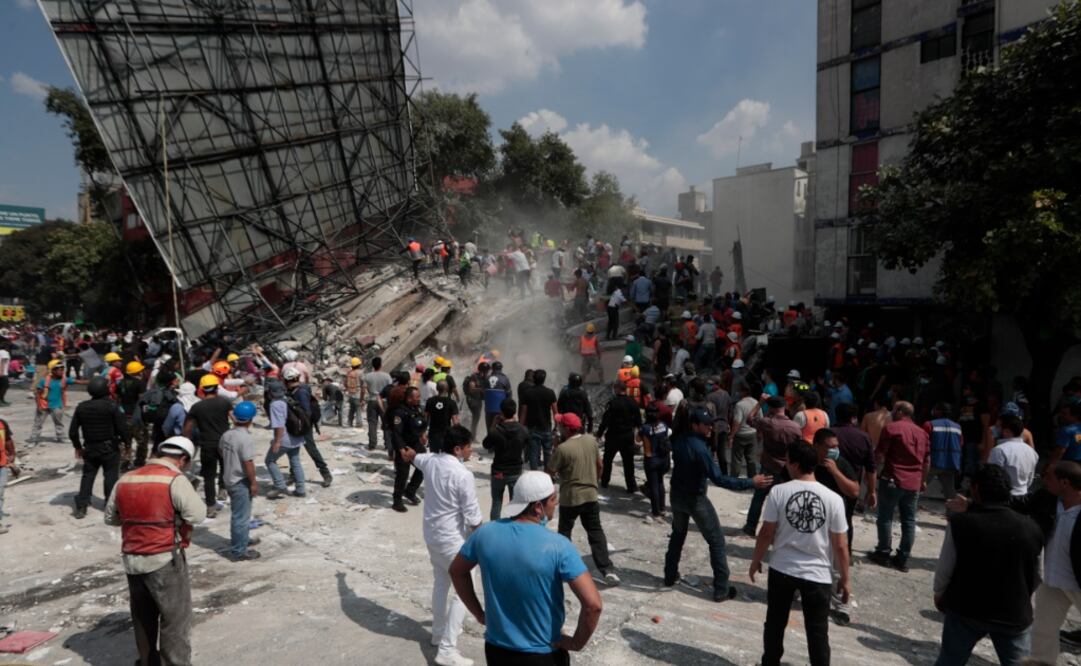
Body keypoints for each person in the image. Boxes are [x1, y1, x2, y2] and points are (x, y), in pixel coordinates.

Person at [449, 471, 604, 665]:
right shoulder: (559, 546)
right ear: (538, 507)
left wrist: (480, 615)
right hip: (543, 654)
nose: (555, 504)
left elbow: (456, 571)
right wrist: (576, 643)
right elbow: (593, 605)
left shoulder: (485, 533)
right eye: (553, 499)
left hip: (497, 650)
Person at [105, 435, 206, 666]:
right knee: (174, 619)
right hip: (164, 558)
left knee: (143, 617)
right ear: (182, 459)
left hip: (131, 559)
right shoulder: (174, 480)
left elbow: (111, 518)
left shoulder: (126, 478)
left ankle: (148, 661)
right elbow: (197, 515)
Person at [750, 440, 850, 666]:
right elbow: (841, 545)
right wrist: (845, 579)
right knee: (817, 632)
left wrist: (756, 560)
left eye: (787, 460)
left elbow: (766, 532)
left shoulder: (779, 491)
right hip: (818, 575)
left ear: (794, 465)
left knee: (775, 623)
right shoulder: (834, 499)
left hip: (782, 569)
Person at [932, 463, 1042, 666]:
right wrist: (1027, 603)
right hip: (1013, 613)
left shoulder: (960, 523)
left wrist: (939, 593)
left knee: (950, 661)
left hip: (966, 608)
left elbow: (946, 566)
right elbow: (1037, 574)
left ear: (975, 489)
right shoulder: (1031, 527)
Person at [399, 425, 483, 666]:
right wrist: (485, 545)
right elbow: (474, 518)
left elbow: (415, 457)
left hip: (432, 535)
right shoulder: (462, 474)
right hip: (452, 539)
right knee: (463, 591)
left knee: (441, 582)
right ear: (457, 449)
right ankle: (447, 648)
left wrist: (407, 450)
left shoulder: (431, 461)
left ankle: (438, 633)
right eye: (468, 447)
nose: (471, 450)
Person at [666, 407, 770, 601]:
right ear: (695, 425)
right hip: (695, 499)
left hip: (676, 496)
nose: (709, 428)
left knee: (678, 535)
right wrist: (751, 482)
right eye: (705, 425)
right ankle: (721, 588)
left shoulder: (679, 440)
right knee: (717, 541)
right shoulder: (699, 449)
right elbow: (720, 479)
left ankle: (669, 575)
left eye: (710, 424)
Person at [547, 412, 620, 585]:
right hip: (590, 495)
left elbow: (550, 470)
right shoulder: (590, 440)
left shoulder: (563, 449)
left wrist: (555, 446)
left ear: (565, 428)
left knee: (564, 533)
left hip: (570, 498)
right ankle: (607, 569)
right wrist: (595, 480)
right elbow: (600, 465)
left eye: (560, 425)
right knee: (595, 532)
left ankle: (564, 567)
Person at [869, 401, 931, 572]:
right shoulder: (922, 433)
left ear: (901, 412)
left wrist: (872, 474)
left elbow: (879, 455)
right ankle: (902, 557)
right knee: (909, 520)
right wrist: (923, 480)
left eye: (894, 410)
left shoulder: (891, 429)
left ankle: (883, 552)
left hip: (892, 479)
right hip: (913, 483)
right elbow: (926, 461)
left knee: (885, 517)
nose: (891, 412)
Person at [743, 396, 803, 536]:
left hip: (768, 466)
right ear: (784, 408)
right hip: (787, 470)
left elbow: (749, 418)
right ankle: (781, 531)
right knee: (784, 501)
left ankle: (750, 527)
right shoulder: (795, 427)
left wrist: (760, 402)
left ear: (771, 409)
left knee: (759, 498)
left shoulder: (767, 422)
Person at [69, 375, 126, 519]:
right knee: (111, 477)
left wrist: (78, 447)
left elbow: (73, 431)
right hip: (109, 448)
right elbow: (122, 429)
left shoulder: (82, 407)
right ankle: (110, 505)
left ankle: (82, 506)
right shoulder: (112, 407)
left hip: (90, 448)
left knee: (88, 475)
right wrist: (127, 444)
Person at [182, 374, 232, 517]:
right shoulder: (224, 402)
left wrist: (186, 441)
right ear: (217, 388)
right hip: (224, 442)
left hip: (207, 444)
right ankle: (223, 489)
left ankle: (210, 506)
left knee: (209, 476)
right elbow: (235, 418)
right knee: (225, 466)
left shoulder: (197, 407)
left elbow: (187, 428)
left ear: (202, 390)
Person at [220, 402, 260, 561]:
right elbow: (248, 463)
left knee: (240, 515)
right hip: (240, 481)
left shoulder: (227, 435)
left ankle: (242, 540)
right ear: (250, 420)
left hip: (229, 477)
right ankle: (238, 551)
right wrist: (253, 483)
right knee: (241, 517)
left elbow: (221, 451)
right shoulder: (245, 438)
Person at [284, 367, 333, 488]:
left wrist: (295, 409)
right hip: (295, 425)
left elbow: (307, 412)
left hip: (304, 426)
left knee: (312, 450)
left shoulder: (301, 392)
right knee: (292, 451)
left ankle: (326, 474)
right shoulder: (292, 391)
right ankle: (293, 475)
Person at [483, 398, 528, 520]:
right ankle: (514, 528)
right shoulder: (523, 430)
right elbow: (527, 446)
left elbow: (486, 445)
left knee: (497, 502)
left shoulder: (496, 430)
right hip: (515, 472)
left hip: (498, 472)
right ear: (514, 412)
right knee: (516, 504)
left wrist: (493, 425)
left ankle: (495, 528)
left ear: (501, 412)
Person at [597, 381, 642, 492]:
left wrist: (599, 434)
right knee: (628, 462)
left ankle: (604, 481)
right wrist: (637, 436)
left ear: (617, 389)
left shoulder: (612, 403)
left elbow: (605, 421)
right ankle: (631, 486)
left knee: (607, 460)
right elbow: (638, 422)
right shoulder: (633, 402)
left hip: (613, 436)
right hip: (627, 436)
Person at [265, 379, 305, 500]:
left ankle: (279, 485)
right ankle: (301, 489)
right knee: (295, 461)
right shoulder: (288, 399)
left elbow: (279, 425)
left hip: (285, 439)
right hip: (296, 436)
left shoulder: (275, 404)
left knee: (270, 460)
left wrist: (277, 441)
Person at [391, 386, 428, 512]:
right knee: (402, 474)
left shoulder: (416, 408)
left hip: (416, 443)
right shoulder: (399, 412)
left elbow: (420, 422)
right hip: (404, 445)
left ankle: (410, 491)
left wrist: (423, 434)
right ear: (409, 398)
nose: (419, 398)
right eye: (417, 396)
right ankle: (397, 501)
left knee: (424, 467)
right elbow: (396, 433)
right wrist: (401, 450)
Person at [987, 413, 1038, 496]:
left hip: (1004, 498)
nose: (994, 429)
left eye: (998, 427)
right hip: (1024, 496)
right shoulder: (1031, 451)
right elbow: (1030, 479)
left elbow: (992, 478)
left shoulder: (999, 450)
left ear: (1006, 431)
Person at [638, 404, 672, 524]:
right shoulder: (663, 425)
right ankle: (662, 508)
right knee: (660, 483)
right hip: (663, 459)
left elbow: (637, 441)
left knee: (653, 486)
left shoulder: (645, 428)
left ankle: (656, 512)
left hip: (651, 459)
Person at [924, 402, 963, 502]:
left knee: (917, 488)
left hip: (933, 463)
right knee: (950, 494)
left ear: (938, 412)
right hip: (951, 464)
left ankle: (909, 513)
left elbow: (923, 443)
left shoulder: (929, 424)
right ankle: (952, 515)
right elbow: (960, 443)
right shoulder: (957, 427)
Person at [520, 369, 558, 471]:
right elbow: (555, 411)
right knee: (547, 452)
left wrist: (521, 426)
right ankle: (548, 473)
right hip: (546, 427)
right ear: (544, 379)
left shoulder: (527, 393)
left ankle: (534, 473)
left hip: (532, 427)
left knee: (534, 452)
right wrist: (557, 425)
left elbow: (524, 412)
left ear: (533, 378)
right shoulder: (550, 392)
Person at [30, 359, 74, 443]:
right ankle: (34, 438)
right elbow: (37, 393)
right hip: (44, 405)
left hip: (57, 405)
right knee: (38, 422)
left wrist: (92, 381)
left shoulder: (64, 379)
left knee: (59, 423)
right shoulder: (44, 380)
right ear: (52, 370)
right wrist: (38, 405)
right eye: (59, 370)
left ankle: (61, 437)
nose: (61, 372)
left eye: (62, 370)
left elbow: (77, 381)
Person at [117, 360, 148, 469]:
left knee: (126, 440)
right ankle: (139, 462)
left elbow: (118, 399)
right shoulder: (140, 384)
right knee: (142, 441)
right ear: (137, 372)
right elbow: (142, 400)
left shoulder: (120, 383)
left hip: (123, 415)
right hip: (136, 417)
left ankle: (126, 460)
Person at [362, 356, 392, 451]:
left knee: (372, 423)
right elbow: (390, 389)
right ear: (381, 365)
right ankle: (387, 445)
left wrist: (362, 399)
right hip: (384, 401)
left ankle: (372, 444)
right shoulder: (387, 376)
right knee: (386, 423)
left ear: (372, 365)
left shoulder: (368, 376)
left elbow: (363, 389)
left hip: (372, 400)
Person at [729, 383, 758, 477]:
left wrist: (731, 436)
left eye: (739, 391)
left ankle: (734, 479)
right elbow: (760, 418)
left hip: (740, 435)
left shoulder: (740, 405)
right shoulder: (756, 403)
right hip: (753, 434)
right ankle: (752, 480)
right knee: (751, 459)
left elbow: (737, 421)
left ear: (744, 392)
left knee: (737, 459)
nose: (738, 393)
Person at [425, 380, 460, 454]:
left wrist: (424, 432)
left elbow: (425, 418)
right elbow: (455, 421)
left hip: (433, 432)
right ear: (447, 389)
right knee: (445, 455)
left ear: (437, 388)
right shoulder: (451, 402)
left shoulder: (430, 401)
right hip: (446, 433)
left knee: (434, 455)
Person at [461, 363, 488, 442]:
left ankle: (472, 435)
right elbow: (471, 388)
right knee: (476, 418)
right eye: (486, 371)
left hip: (477, 400)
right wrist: (481, 390)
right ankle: (472, 437)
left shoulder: (481, 377)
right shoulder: (474, 377)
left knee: (476, 418)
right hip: (472, 400)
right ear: (483, 371)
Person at [484, 361, 513, 433]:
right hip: (501, 410)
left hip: (488, 409)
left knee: (489, 429)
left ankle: (490, 442)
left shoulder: (486, 378)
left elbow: (483, 394)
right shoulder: (505, 379)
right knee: (501, 430)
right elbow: (509, 395)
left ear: (492, 369)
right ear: (501, 369)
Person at [0, 416, 17, 534]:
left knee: (0, 493)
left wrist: (11, 455)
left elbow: (7, 440)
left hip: (1, 464)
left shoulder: (1, 424)